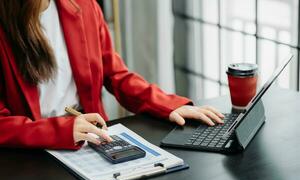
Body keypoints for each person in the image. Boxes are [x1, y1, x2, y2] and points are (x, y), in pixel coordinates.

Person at [0, 0, 224, 150]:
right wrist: (61, 131)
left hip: (93, 142)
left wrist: (167, 105)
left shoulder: (84, 6)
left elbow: (115, 74)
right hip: (32, 155)